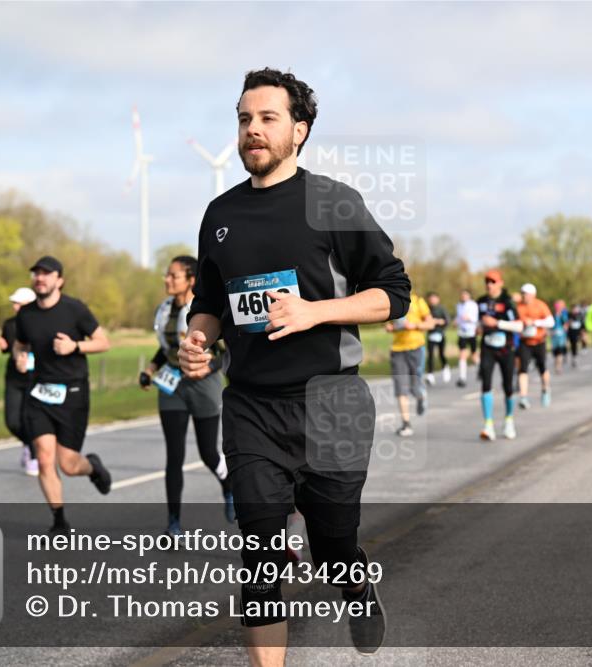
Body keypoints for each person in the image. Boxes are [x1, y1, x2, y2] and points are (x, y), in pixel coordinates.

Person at [179, 68, 409, 663]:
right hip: (252, 404)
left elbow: (392, 293)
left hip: (331, 404)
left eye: (267, 118)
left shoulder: (332, 201)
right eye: (244, 118)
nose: (252, 130)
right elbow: (209, 303)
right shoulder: (219, 213)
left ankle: (352, 580)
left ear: (299, 130)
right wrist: (197, 339)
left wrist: (315, 313)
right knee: (259, 553)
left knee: (333, 544)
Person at [13, 256, 112, 534]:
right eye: (36, 274)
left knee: (68, 465)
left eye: (46, 274)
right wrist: (20, 358)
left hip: (73, 393)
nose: (40, 278)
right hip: (40, 393)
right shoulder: (26, 314)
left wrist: (74, 347)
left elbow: (104, 342)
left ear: (60, 280)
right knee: (45, 458)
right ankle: (59, 522)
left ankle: (92, 467)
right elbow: (20, 345)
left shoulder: (75, 309)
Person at [140, 255, 234, 537]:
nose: (167, 280)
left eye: (173, 275)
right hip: (172, 386)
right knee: (174, 456)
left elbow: (228, 351)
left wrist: (209, 366)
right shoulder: (165, 309)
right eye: (167, 275)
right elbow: (167, 347)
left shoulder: (205, 311)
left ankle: (228, 487)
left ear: (191, 280)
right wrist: (150, 369)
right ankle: (173, 523)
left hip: (204, 385)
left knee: (207, 452)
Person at [475, 269, 523, 440]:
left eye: (493, 281)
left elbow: (519, 326)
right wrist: (479, 328)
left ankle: (509, 420)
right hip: (487, 347)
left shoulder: (507, 302)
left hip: (506, 348)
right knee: (486, 383)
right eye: (487, 281)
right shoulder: (480, 302)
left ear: (500, 283)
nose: (489, 284)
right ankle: (488, 424)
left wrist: (497, 323)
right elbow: (478, 323)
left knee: (508, 386)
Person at [0, 287, 38, 476]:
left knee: (28, 418)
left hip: (36, 376)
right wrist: (4, 346)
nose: (15, 307)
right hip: (14, 376)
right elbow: (7, 347)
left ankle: (34, 454)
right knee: (12, 421)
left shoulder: (41, 323)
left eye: (18, 303)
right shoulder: (8, 324)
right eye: (13, 303)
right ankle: (29, 444)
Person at [387, 292, 434, 436]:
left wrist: (414, 325)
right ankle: (406, 424)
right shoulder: (392, 302)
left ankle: (420, 396)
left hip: (416, 347)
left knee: (414, 387)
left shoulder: (418, 301)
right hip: (397, 349)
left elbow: (430, 323)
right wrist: (391, 328)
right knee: (401, 387)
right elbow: (389, 325)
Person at [516, 283, 555, 408]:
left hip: (539, 341)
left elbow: (551, 322)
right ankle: (523, 397)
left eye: (526, 293)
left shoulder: (540, 305)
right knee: (522, 369)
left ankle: (545, 389)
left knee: (542, 368)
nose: (524, 296)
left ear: (533, 295)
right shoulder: (519, 307)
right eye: (522, 293)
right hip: (525, 342)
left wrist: (534, 322)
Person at [424, 292, 451, 385]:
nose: (432, 300)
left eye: (434, 298)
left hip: (440, 335)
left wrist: (439, 321)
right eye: (430, 299)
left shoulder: (441, 309)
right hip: (431, 335)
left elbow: (447, 321)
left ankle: (445, 368)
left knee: (441, 354)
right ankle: (430, 375)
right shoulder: (427, 309)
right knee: (430, 356)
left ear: (437, 299)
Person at [454, 288, 479, 387]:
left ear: (469, 296)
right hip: (462, 332)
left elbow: (476, 318)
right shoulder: (459, 305)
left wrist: (469, 318)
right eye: (462, 295)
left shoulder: (473, 305)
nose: (463, 296)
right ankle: (462, 377)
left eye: (465, 295)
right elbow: (459, 317)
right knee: (462, 354)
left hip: (471, 332)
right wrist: (456, 322)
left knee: (474, 355)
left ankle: (480, 371)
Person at [550, 299, 570, 374]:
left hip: (561, 336)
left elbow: (566, 324)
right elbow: (550, 325)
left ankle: (559, 367)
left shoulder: (563, 315)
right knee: (555, 352)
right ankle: (556, 365)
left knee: (560, 351)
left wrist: (565, 328)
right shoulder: (552, 315)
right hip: (554, 335)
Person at [566, 303, 586, 368]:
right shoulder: (569, 315)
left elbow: (582, 323)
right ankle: (574, 356)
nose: (575, 310)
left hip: (578, 332)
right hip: (571, 332)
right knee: (573, 344)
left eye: (576, 309)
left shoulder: (580, 315)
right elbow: (566, 323)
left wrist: (583, 331)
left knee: (582, 340)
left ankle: (583, 349)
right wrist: (569, 322)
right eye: (573, 309)